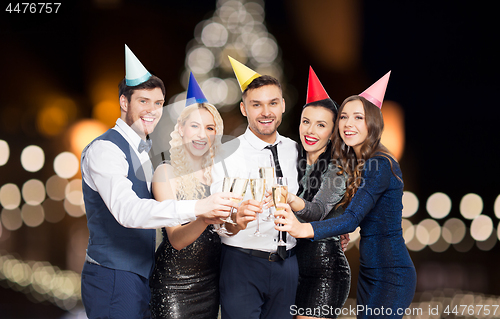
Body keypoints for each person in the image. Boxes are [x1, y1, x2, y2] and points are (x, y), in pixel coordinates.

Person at [80, 46, 236, 319]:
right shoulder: (106, 149)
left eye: (158, 103)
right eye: (143, 101)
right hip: (114, 277)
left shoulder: (144, 151)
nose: (152, 110)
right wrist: (198, 208)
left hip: (143, 277)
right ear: (124, 103)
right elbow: (127, 212)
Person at [275, 72, 417, 319]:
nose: (348, 123)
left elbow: (352, 219)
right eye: (344, 117)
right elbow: (351, 214)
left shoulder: (380, 163)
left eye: (358, 118)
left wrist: (302, 229)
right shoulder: (357, 164)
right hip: (370, 270)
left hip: (391, 273)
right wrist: (339, 230)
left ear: (372, 123)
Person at [210, 56, 300, 319]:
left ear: (283, 105)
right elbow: (216, 216)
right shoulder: (225, 153)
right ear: (243, 109)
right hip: (241, 264)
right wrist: (235, 218)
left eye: (273, 103)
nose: (266, 112)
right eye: (256, 105)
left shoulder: (297, 151)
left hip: (289, 265)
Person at [149, 74, 224, 319]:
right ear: (181, 129)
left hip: (211, 288)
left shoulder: (219, 178)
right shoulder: (165, 173)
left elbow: (228, 232)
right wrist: (205, 217)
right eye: (195, 126)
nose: (202, 134)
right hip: (174, 288)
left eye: (209, 128)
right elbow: (177, 240)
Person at [285, 67, 350, 319]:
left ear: (333, 132)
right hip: (290, 268)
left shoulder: (338, 169)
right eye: (306, 122)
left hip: (324, 270)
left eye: (321, 125)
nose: (310, 131)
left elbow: (318, 212)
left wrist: (288, 199)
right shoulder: (290, 159)